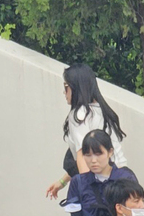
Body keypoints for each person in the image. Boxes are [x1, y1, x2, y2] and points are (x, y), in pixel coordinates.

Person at [46, 63, 128, 200]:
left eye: (66, 87)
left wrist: (89, 195)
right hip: (122, 176)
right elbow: (91, 158)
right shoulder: (101, 110)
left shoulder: (78, 115)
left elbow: (83, 156)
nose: (64, 92)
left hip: (104, 184)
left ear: (76, 87)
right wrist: (62, 181)